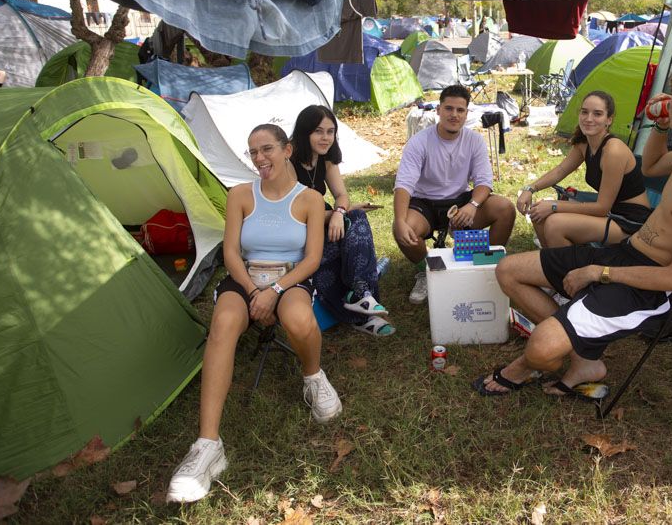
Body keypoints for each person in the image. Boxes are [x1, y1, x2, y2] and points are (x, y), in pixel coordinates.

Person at [478, 60, 672, 398]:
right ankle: (582, 356)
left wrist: (598, 272)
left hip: (650, 283)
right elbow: (651, 166)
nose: (667, 100)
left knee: (540, 350)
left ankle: (538, 356)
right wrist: (661, 127)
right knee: (508, 270)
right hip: (627, 250)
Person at [167, 124, 340, 503]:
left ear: (287, 149)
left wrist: (275, 291)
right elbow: (230, 253)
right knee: (224, 323)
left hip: (289, 278)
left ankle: (313, 377)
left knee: (297, 318)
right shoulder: (240, 195)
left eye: (267, 150)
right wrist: (252, 292)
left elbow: (312, 259)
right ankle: (208, 446)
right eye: (253, 153)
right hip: (245, 278)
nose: (260, 159)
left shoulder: (310, 199)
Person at [393, 84, 516, 303]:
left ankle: (486, 266)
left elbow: (484, 182)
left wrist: (472, 206)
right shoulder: (419, 142)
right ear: (438, 110)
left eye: (460, 110)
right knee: (403, 228)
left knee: (505, 208)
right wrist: (399, 220)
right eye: (449, 109)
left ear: (466, 113)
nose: (454, 115)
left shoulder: (474, 140)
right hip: (425, 203)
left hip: (460, 202)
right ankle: (428, 271)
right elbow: (403, 184)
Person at [291, 105, 395, 337]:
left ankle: (360, 293)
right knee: (330, 257)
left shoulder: (325, 158)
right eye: (318, 131)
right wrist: (331, 216)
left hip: (324, 217)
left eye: (330, 131)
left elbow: (342, 195)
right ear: (304, 131)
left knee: (356, 216)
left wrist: (339, 212)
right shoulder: (288, 162)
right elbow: (292, 214)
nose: (325, 137)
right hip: (299, 227)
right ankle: (361, 316)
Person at [517, 90, 650, 253]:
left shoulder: (613, 151)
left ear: (609, 119)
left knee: (555, 224)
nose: (589, 119)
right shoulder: (584, 144)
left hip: (630, 221)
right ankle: (554, 267)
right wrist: (530, 189)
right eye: (584, 112)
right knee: (539, 215)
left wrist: (554, 206)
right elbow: (560, 170)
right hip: (611, 213)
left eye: (597, 114)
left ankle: (569, 272)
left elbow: (601, 207)